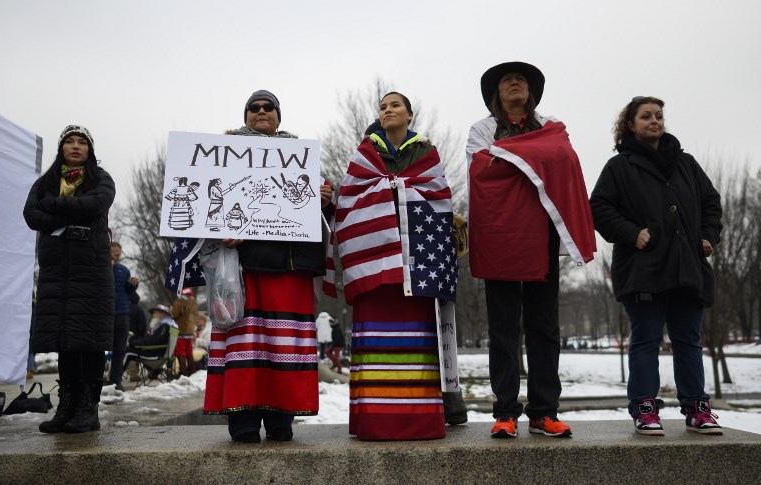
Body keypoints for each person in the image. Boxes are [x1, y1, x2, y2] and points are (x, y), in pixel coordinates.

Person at [466, 62, 596, 438]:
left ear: (531, 91)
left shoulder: (551, 126)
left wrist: (512, 158)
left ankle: (544, 412)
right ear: (497, 93)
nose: (514, 83)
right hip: (499, 237)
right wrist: (533, 161)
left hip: (542, 239)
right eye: (507, 80)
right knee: (503, 328)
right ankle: (505, 411)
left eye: (520, 79)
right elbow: (483, 174)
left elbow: (565, 164)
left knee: (544, 327)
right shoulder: (481, 129)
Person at [203, 89, 334, 443]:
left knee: (284, 344)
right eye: (253, 107)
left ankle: (281, 420)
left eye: (268, 107)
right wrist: (220, 232)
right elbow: (207, 204)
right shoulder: (223, 155)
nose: (261, 112)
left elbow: (312, 212)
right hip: (245, 268)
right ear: (245, 116)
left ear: (279, 115)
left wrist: (324, 200)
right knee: (246, 341)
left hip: (291, 268)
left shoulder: (301, 156)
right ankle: (243, 420)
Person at [327, 92, 458, 441]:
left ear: (410, 115)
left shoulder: (426, 153)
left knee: (416, 342)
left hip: (416, 267)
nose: (387, 110)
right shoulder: (364, 154)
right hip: (375, 268)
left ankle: (419, 422)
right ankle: (376, 421)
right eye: (383, 107)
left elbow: (438, 195)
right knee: (377, 347)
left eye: (395, 105)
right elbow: (349, 199)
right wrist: (390, 190)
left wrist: (402, 191)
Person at [590, 96, 723, 436]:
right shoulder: (619, 167)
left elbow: (711, 203)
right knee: (646, 339)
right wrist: (631, 234)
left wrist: (708, 236)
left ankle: (697, 408)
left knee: (688, 341)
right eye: (646, 116)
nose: (654, 121)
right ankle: (645, 409)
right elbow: (599, 208)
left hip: (688, 269)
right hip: (643, 271)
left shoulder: (686, 163)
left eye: (659, 116)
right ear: (630, 124)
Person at [23, 125, 115, 434]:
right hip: (57, 272)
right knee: (66, 339)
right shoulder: (46, 181)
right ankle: (66, 405)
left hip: (90, 272)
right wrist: (69, 215)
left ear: (90, 150)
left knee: (88, 340)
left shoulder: (100, 179)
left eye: (82, 142)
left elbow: (95, 205)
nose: (75, 147)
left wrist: (54, 207)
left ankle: (88, 408)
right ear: (61, 148)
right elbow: (30, 214)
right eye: (69, 142)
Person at [108, 241, 139, 391]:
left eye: (118, 254)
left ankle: (116, 380)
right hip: (104, 315)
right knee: (99, 349)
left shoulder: (124, 270)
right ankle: (97, 379)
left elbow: (129, 292)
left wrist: (133, 284)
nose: (116, 256)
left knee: (119, 350)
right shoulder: (100, 269)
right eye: (113, 253)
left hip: (122, 314)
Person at [123, 304, 178, 377]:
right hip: (155, 353)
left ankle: (115, 379)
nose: (153, 315)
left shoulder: (165, 327)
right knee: (130, 350)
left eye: (155, 313)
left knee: (128, 352)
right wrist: (134, 343)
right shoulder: (164, 326)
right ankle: (155, 371)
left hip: (157, 357)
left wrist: (132, 343)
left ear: (162, 314)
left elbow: (152, 341)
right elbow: (151, 340)